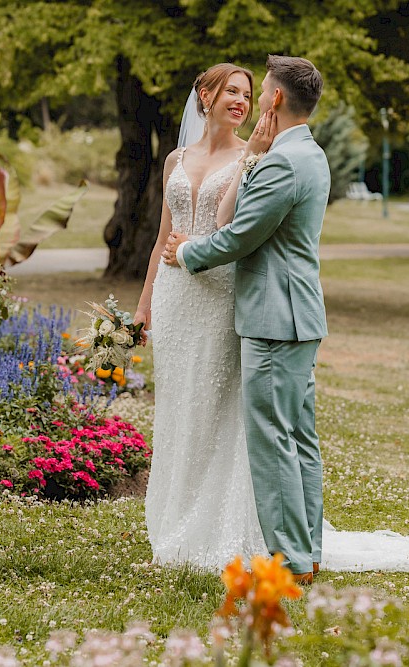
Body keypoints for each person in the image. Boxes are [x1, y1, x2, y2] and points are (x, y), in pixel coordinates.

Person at [146, 56, 409, 579]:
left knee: (274, 442)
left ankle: (292, 559)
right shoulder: (306, 152)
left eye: (258, 90)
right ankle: (306, 549)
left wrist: (188, 251)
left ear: (276, 98)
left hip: (273, 318)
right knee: (297, 439)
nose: (251, 100)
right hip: (288, 314)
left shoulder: (281, 162)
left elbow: (240, 235)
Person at [134, 62, 272, 569]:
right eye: (232, 91)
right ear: (206, 96)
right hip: (173, 299)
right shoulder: (175, 158)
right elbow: (160, 238)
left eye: (247, 94)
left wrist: (252, 159)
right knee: (178, 406)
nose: (241, 101)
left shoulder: (252, 157)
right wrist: (144, 306)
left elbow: (234, 228)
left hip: (219, 295)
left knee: (215, 405)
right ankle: (173, 519)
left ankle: (215, 524)